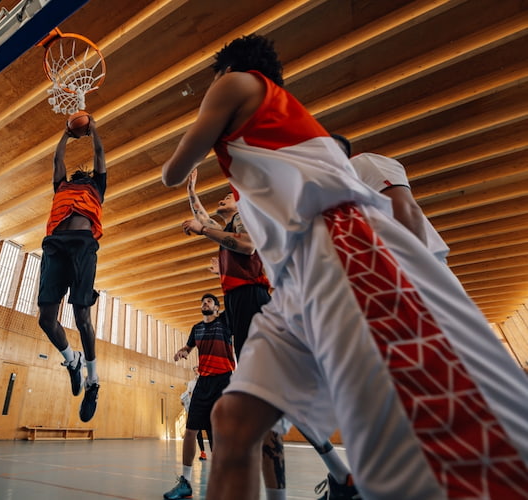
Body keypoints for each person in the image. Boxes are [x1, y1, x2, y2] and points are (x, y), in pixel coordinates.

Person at [161, 34, 528, 499]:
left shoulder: (239, 84)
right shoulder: (259, 164)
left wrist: (414, 278)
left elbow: (171, 172)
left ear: (230, 69)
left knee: (427, 440)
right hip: (291, 287)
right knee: (231, 421)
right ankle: (339, 474)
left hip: (338, 245)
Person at [184, 170, 358, 500]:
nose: (221, 198)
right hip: (242, 305)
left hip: (252, 302)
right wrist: (190, 191)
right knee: (274, 398)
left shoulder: (245, 219)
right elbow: (203, 218)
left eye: (227, 196)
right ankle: (341, 475)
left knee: (260, 399)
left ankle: (340, 475)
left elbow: (248, 247)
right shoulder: (229, 227)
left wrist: (203, 230)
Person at [38, 116, 106, 423]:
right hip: (54, 244)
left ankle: (93, 380)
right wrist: (65, 135)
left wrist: (93, 131)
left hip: (82, 244)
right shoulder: (61, 186)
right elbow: (57, 159)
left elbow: (100, 157)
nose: (80, 175)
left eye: (84, 174)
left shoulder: (96, 187)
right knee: (45, 320)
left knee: (82, 316)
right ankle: (72, 360)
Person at [332, 133, 449, 264]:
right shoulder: (324, 194)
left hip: (413, 263)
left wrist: (417, 265)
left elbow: (406, 209)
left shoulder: (361, 163)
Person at [164, 294, 235, 500]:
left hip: (224, 381)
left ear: (217, 307)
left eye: (209, 301)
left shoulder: (225, 321)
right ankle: (185, 482)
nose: (205, 303)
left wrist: (222, 271)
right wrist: (183, 351)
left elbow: (233, 297)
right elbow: (189, 346)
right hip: (203, 383)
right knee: (190, 431)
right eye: (202, 301)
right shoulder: (196, 329)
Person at [180, 365, 208, 460]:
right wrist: (184, 399)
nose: (196, 372)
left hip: (206, 406)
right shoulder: (191, 383)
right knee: (197, 431)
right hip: (196, 408)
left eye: (197, 370)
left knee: (209, 429)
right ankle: (203, 452)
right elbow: (188, 392)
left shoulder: (207, 381)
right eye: (195, 371)